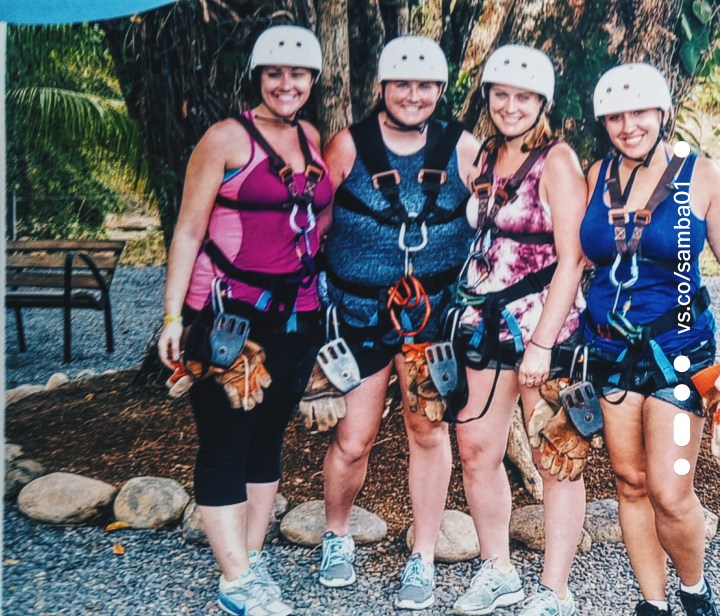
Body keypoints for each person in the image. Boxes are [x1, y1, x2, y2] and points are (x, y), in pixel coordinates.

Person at [157, 25, 332, 616]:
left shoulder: (309, 137)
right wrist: (173, 316)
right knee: (225, 443)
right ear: (258, 77)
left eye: (298, 74)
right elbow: (187, 229)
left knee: (267, 440)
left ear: (312, 81)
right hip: (228, 318)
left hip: (296, 315)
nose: (287, 84)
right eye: (275, 74)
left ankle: (250, 561)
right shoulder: (226, 139)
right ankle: (234, 580)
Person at [311, 35, 480, 611]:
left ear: (440, 90)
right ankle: (336, 536)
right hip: (359, 314)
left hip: (429, 321)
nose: (413, 96)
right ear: (383, 87)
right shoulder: (349, 146)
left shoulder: (462, 148)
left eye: (426, 86)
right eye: (402, 85)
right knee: (354, 439)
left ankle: (424, 555)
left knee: (428, 433)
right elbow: (312, 225)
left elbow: (494, 217)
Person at [451, 45, 587, 616]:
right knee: (476, 448)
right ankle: (497, 569)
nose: (511, 106)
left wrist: (542, 344)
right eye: (501, 94)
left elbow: (574, 256)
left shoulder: (555, 160)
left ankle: (556, 590)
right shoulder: (484, 156)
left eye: (524, 97)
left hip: (542, 328)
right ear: (488, 98)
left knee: (554, 454)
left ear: (543, 103)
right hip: (484, 324)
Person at [580, 62, 720, 616]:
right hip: (611, 352)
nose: (627, 125)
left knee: (670, 487)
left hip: (680, 352)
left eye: (638, 112)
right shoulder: (597, 175)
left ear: (662, 113)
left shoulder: (702, 174)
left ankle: (694, 591)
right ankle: (652, 603)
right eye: (615, 115)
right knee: (630, 482)